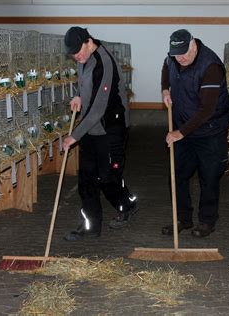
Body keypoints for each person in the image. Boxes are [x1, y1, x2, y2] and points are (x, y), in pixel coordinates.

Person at [62, 26, 137, 241]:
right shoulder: (83, 57)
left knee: (108, 177)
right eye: (73, 54)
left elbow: (98, 109)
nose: (76, 57)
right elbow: (86, 86)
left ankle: (127, 205)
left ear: (88, 41)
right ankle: (91, 226)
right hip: (90, 126)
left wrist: (74, 136)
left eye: (78, 52)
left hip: (110, 127)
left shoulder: (104, 63)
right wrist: (78, 96)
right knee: (86, 178)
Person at [161, 29, 229, 238]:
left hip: (210, 130)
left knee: (209, 177)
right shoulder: (174, 58)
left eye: (184, 54)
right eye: (176, 55)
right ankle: (182, 218)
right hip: (184, 124)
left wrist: (179, 133)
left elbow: (207, 110)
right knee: (177, 175)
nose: (180, 59)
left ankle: (207, 221)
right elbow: (166, 67)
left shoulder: (210, 66)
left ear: (193, 45)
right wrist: (165, 89)